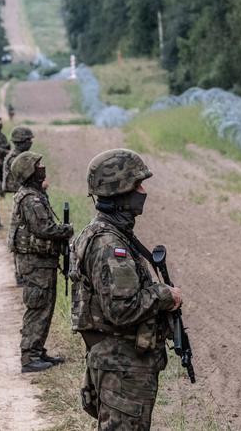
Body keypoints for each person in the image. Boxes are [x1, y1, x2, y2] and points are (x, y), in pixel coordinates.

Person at [69, 149, 183, 430]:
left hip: (119, 363)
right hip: (122, 366)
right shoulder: (110, 245)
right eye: (136, 185)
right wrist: (166, 295)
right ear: (119, 191)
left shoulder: (105, 233)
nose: (142, 191)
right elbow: (122, 308)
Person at [8, 151, 73, 372]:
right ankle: (30, 356)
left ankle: (37, 350)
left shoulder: (33, 194)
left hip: (40, 261)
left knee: (45, 306)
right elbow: (43, 228)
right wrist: (66, 230)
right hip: (35, 262)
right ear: (29, 171)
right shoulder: (30, 199)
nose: (42, 168)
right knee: (38, 306)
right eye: (38, 165)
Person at [3, 126, 35, 194]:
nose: (30, 142)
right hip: (20, 191)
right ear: (20, 142)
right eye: (28, 140)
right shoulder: (15, 158)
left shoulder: (21, 155)